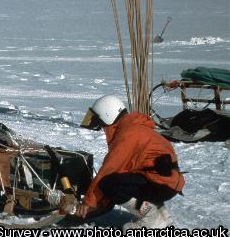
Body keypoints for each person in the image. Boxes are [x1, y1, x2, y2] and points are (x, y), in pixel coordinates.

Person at [75, 95, 185, 229]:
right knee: (122, 179)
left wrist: (88, 203)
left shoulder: (129, 134)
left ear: (108, 116)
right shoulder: (134, 128)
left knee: (110, 183)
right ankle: (160, 213)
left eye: (102, 125)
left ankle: (151, 217)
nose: (103, 130)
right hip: (166, 182)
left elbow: (109, 170)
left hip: (161, 184)